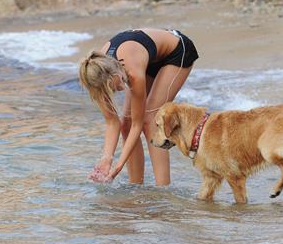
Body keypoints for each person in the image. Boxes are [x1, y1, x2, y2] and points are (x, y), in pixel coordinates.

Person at [78, 28, 199, 185]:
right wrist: (106, 160)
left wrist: (119, 165)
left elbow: (138, 123)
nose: (117, 91)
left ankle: (163, 189)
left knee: (150, 119)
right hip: (148, 59)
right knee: (125, 124)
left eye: (115, 87)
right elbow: (112, 123)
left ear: (116, 75)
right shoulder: (95, 78)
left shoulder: (132, 72)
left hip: (177, 51)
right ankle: (135, 185)